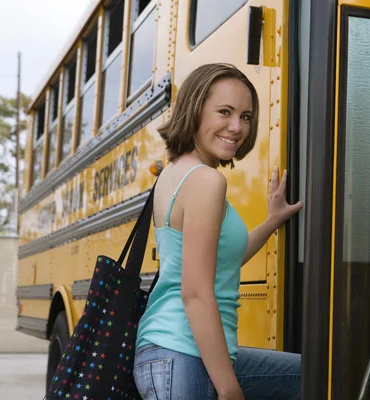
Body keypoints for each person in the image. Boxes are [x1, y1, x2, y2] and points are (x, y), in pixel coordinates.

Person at [133, 63, 303, 400]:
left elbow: (220, 262)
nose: (236, 127)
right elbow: (195, 292)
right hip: (183, 353)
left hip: (173, 352)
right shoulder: (207, 181)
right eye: (224, 112)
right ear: (195, 111)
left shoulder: (175, 173)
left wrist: (271, 222)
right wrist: (228, 389)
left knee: (308, 375)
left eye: (246, 116)